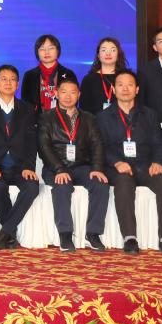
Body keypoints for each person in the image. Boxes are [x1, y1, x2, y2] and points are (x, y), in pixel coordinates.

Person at [97, 70, 162, 255]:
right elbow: (101, 146)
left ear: (137, 89)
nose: (125, 89)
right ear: (113, 89)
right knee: (124, 183)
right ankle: (129, 237)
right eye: (120, 85)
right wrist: (117, 162)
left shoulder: (149, 114)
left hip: (146, 166)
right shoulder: (102, 117)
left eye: (130, 85)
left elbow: (159, 143)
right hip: (117, 168)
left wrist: (158, 162)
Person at [38, 80, 109, 252]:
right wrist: (59, 169)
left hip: (81, 166)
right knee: (62, 185)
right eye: (64, 92)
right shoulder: (46, 117)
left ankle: (93, 233)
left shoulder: (89, 118)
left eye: (73, 92)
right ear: (56, 94)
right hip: (55, 167)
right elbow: (43, 147)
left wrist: (97, 168)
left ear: (79, 95)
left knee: (100, 184)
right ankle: (65, 234)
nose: (68, 96)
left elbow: (97, 144)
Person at [0, 65, 39, 250]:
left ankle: (5, 232)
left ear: (17, 84)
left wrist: (28, 166)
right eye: (3, 79)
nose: (8, 83)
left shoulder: (27, 109)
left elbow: (31, 142)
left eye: (12, 79)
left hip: (20, 166)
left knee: (32, 187)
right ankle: (9, 234)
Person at [20, 34, 78, 113]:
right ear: (37, 53)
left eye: (51, 48)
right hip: (36, 119)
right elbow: (25, 103)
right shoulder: (29, 75)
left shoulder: (68, 74)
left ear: (58, 51)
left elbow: (74, 99)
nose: (46, 52)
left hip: (62, 119)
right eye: (42, 49)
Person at [79, 37, 128, 114]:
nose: (108, 53)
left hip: (122, 120)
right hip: (95, 121)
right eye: (104, 50)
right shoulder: (89, 79)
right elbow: (84, 109)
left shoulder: (126, 78)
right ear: (98, 55)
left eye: (113, 50)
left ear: (118, 55)